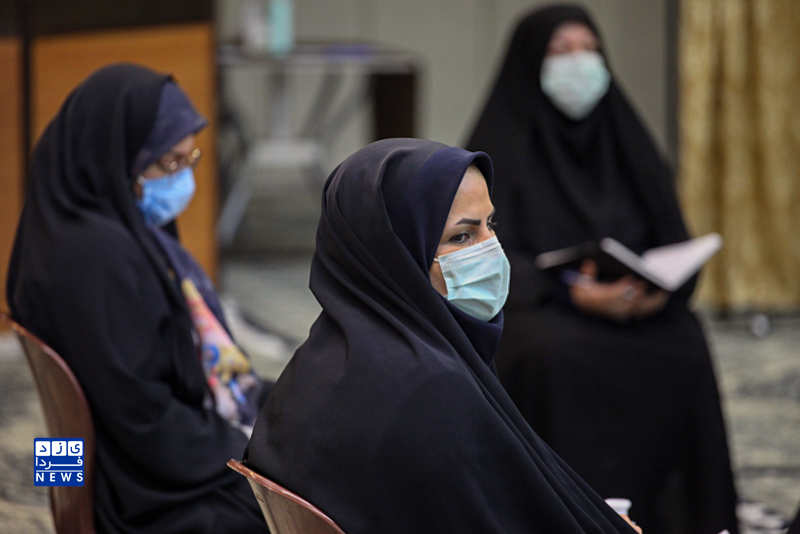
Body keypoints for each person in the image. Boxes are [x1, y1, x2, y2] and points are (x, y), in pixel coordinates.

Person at [243, 138, 642, 534]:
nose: (492, 250)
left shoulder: (321, 359)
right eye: (461, 237)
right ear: (394, 255)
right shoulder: (428, 390)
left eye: (490, 224)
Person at [465, 5, 738, 534]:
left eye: (589, 49)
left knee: (685, 342)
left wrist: (661, 291)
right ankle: (568, 515)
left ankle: (681, 518)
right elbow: (481, 252)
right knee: (552, 354)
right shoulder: (501, 147)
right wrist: (569, 292)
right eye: (561, 51)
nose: (579, 63)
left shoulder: (627, 140)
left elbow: (673, 237)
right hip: (543, 307)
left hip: (637, 306)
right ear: (530, 63)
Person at [7, 64, 269, 534]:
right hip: (136, 492)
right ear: (115, 157)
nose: (183, 179)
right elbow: (144, 415)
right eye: (168, 163)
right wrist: (247, 451)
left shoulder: (61, 223)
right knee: (309, 499)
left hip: (99, 461)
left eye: (189, 159)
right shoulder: (96, 263)